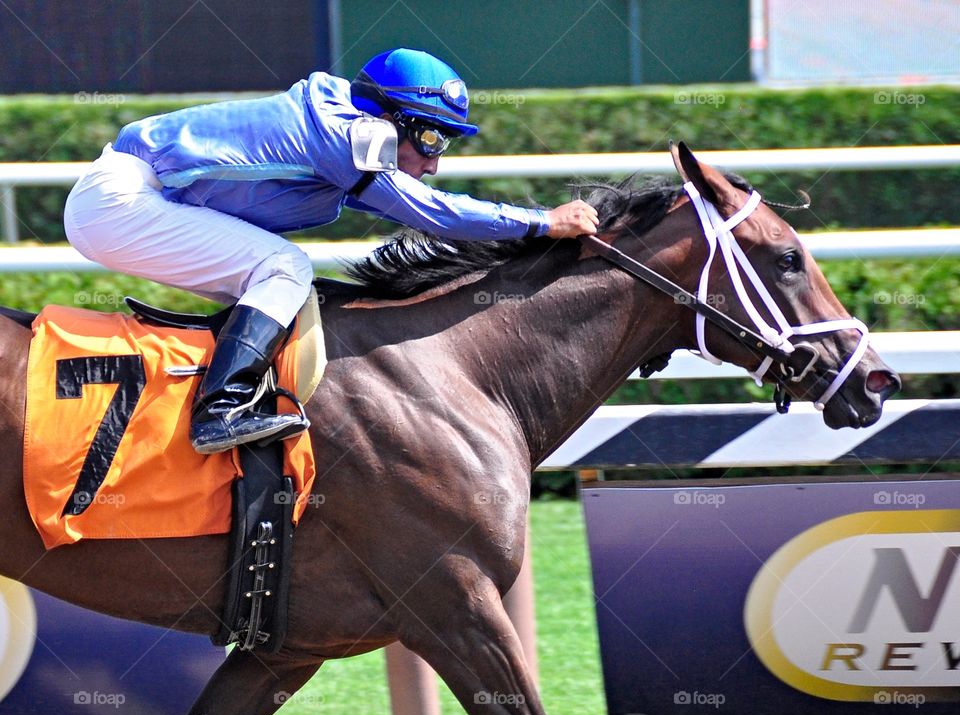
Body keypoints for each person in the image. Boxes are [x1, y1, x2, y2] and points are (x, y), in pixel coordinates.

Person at [63, 48, 599, 455]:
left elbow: (417, 212)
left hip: (128, 199)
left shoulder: (346, 129)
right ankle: (217, 411)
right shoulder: (346, 134)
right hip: (121, 202)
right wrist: (541, 222)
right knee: (284, 266)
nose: (434, 161)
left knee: (291, 293)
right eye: (432, 139)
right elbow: (432, 213)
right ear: (392, 119)